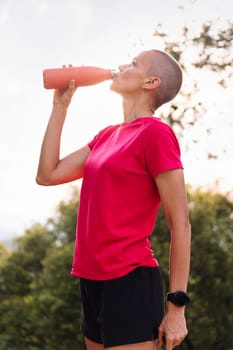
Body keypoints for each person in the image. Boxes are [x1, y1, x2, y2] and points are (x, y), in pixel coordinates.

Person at [36, 49, 191, 350]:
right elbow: (47, 174)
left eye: (133, 63)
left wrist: (177, 306)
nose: (121, 66)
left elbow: (181, 224)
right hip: (90, 279)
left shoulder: (157, 134)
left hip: (130, 280)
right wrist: (60, 107)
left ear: (151, 82)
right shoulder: (107, 136)